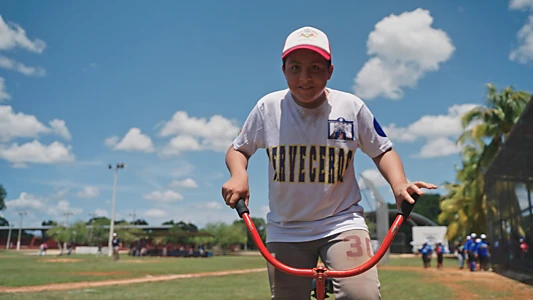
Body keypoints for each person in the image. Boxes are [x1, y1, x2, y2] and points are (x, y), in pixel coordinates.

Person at [221, 25, 437, 300]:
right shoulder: (268, 108)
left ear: (330, 71)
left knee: (363, 295)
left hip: (342, 221)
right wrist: (238, 175)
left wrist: (398, 184)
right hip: (286, 228)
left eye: (316, 68)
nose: (305, 77)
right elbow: (238, 149)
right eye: (295, 67)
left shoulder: (350, 107)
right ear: (284, 69)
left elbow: (383, 150)